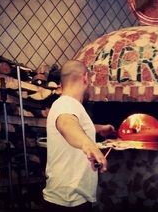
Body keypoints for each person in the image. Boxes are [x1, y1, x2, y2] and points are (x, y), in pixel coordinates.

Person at [42, 60, 116, 212]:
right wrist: (88, 144)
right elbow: (67, 123)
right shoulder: (65, 104)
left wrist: (99, 129)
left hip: (70, 198)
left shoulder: (68, 104)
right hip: (67, 201)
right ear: (85, 78)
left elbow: (76, 125)